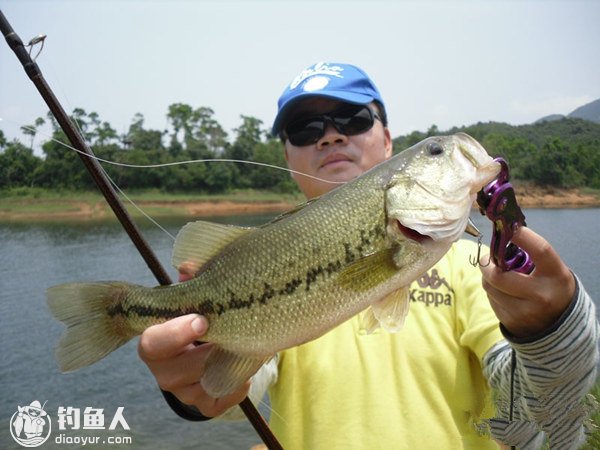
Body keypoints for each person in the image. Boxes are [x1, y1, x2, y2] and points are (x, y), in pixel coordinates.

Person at [138, 62, 598, 449]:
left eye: (354, 120)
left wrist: (549, 331)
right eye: (306, 128)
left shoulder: (473, 269)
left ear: (389, 141)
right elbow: (232, 388)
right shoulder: (262, 260)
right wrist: (191, 380)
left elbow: (530, 404)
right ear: (286, 156)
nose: (331, 137)